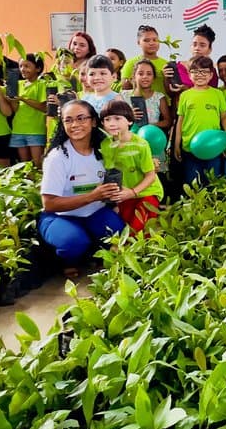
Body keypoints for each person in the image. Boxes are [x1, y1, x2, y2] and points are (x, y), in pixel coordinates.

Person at [40, 99, 124, 278]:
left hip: (95, 212)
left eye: (81, 118)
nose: (75, 125)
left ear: (93, 121)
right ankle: (67, 259)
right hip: (60, 216)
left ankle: (93, 249)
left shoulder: (105, 150)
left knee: (120, 233)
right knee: (73, 242)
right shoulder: (57, 157)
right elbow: (49, 204)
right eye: (68, 120)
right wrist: (92, 196)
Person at [99, 100, 163, 234]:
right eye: (107, 119)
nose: (112, 123)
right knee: (125, 223)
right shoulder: (106, 145)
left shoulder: (141, 144)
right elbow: (110, 174)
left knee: (138, 227)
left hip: (147, 191)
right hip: (124, 194)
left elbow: (150, 175)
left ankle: (126, 252)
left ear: (129, 121)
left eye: (117, 118)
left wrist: (133, 192)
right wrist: (113, 202)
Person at [174, 56, 226, 184]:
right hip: (190, 147)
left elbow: (224, 118)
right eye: (195, 72)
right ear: (189, 74)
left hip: (213, 146)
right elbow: (180, 121)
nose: (200, 75)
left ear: (211, 75)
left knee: (212, 183)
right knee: (191, 183)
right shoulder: (185, 95)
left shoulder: (218, 94)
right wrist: (177, 144)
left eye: (204, 72)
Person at [9, 53, 50, 169]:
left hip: (35, 130)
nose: (23, 69)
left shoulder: (42, 84)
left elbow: (43, 107)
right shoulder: (18, 84)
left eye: (27, 66)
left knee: (37, 165)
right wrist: (12, 100)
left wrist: (23, 99)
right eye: (21, 66)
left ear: (38, 68)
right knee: (24, 165)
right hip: (18, 129)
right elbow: (15, 109)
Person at [119, 25, 169, 94]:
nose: (151, 43)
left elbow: (172, 91)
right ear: (138, 43)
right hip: (138, 103)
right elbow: (124, 87)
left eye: (155, 40)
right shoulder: (131, 63)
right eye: (146, 40)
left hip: (163, 103)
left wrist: (166, 78)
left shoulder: (166, 64)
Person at [175, 24, 219, 89]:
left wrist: (187, 88)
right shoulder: (179, 67)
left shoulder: (212, 71)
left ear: (209, 49)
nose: (197, 48)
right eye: (194, 44)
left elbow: (211, 93)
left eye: (202, 45)